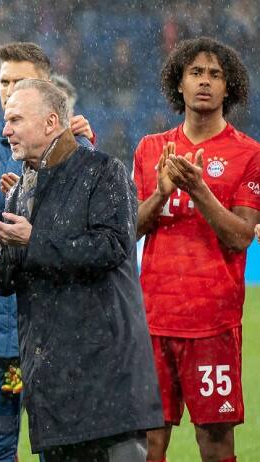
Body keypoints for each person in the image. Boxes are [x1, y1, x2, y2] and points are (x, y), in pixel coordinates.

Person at [0, 79, 163, 460]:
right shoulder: (20, 191)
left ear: (50, 122)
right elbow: (5, 281)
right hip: (52, 384)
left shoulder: (104, 171)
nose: (6, 130)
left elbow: (112, 247)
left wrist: (34, 239)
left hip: (107, 378)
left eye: (15, 120)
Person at [0, 42, 94, 461]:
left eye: (20, 82)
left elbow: (88, 242)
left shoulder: (81, 156)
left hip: (54, 334)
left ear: (47, 89)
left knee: (60, 449)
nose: (9, 91)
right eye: (4, 81)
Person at [134, 37, 260, 462]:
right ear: (179, 82)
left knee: (216, 444)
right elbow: (130, 229)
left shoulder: (249, 154)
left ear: (229, 87)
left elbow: (241, 236)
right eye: (196, 72)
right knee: (148, 443)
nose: (205, 81)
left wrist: (198, 189)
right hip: (154, 320)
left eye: (215, 74)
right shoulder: (151, 149)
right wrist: (161, 193)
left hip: (213, 323)